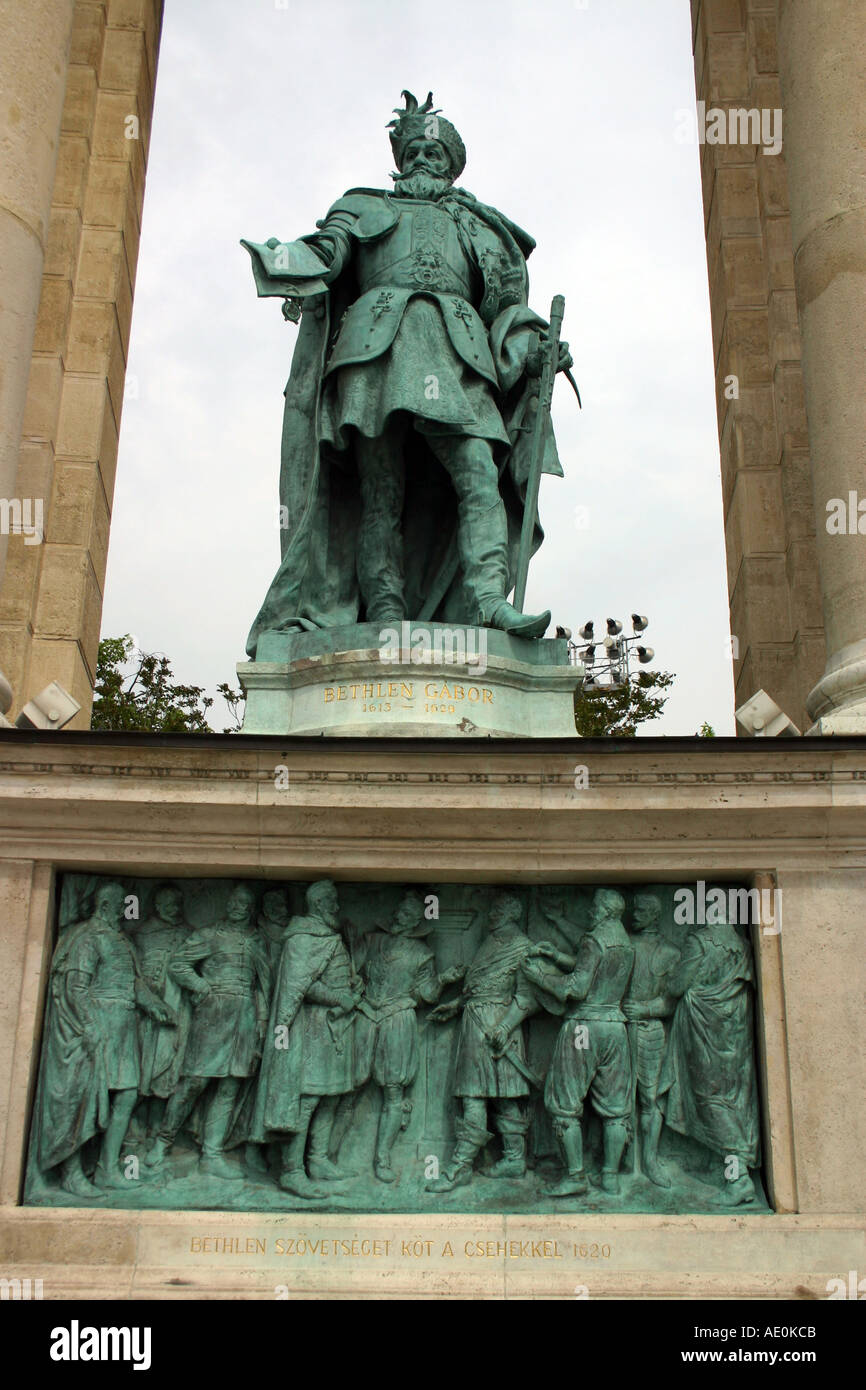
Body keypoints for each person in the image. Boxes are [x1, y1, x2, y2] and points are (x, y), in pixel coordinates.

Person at [242, 89, 573, 654]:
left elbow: (508, 310)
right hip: (375, 349)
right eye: (413, 151)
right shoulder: (364, 205)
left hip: (462, 354)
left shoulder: (483, 228)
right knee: (380, 490)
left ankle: (490, 600)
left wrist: (536, 348)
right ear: (399, 159)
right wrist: (288, 261)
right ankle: (387, 613)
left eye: (435, 153)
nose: (424, 160)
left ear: (452, 163)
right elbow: (329, 251)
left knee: (477, 471)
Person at [35, 880, 174, 1196]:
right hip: (97, 1028)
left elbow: (134, 983)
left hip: (123, 1029)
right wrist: (89, 1026)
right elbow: (76, 987)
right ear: (107, 906)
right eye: (125, 905)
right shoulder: (88, 938)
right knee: (82, 1101)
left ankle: (107, 1170)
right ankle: (71, 1174)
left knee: (126, 1095)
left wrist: (155, 1005)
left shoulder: (121, 940)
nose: (128, 911)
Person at [144, 884, 270, 1180]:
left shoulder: (256, 939)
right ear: (228, 905)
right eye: (236, 901)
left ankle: (211, 1154)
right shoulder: (209, 934)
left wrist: (263, 1023)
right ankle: (163, 1142)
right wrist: (202, 987)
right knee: (194, 1083)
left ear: (251, 908)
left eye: (246, 902)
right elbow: (179, 963)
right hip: (213, 1016)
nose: (240, 906)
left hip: (246, 1019)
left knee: (229, 1087)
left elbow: (263, 985)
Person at [251, 880, 361, 1198]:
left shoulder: (328, 936)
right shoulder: (300, 939)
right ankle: (292, 1171)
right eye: (332, 903)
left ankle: (318, 1159)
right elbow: (299, 987)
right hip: (311, 1030)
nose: (337, 908)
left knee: (330, 1096)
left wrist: (350, 988)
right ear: (317, 905)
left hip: (333, 1031)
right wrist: (337, 998)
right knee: (307, 1099)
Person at [525, 888, 635, 1196]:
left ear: (603, 911)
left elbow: (576, 987)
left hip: (584, 1027)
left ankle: (575, 1176)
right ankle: (610, 1176)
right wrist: (557, 956)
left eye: (593, 908)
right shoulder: (624, 942)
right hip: (614, 1027)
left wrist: (539, 978)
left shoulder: (594, 938)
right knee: (615, 1108)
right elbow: (595, 969)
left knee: (564, 1102)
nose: (588, 912)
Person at [426, 892, 536, 1191]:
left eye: (497, 909)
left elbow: (527, 998)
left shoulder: (522, 947)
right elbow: (477, 987)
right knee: (479, 1094)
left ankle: (472, 1165)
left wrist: (504, 1026)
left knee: (499, 1096)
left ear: (511, 914)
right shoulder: (490, 941)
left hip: (498, 1027)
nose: (491, 915)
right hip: (475, 1023)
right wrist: (456, 1005)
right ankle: (491, 1161)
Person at [353, 890, 464, 1182]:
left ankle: (382, 1158)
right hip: (366, 1016)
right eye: (399, 911)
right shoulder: (372, 941)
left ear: (416, 920)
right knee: (347, 1084)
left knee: (393, 1090)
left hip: (398, 1019)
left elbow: (424, 994)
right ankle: (323, 1155)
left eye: (406, 913)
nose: (399, 916)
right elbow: (354, 973)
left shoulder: (422, 954)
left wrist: (443, 979)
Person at [658, 898, 761, 1206]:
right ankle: (723, 1162)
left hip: (705, 1030)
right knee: (733, 1097)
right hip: (735, 1032)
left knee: (710, 1098)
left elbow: (677, 986)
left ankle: (738, 1177)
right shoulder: (742, 945)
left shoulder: (700, 941)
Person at [621, 892, 681, 1188]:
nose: (635, 913)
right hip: (618, 1029)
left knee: (649, 1097)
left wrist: (645, 1009)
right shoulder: (622, 945)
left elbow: (673, 999)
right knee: (617, 1098)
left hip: (651, 1031)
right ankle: (621, 1161)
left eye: (642, 909)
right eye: (635, 908)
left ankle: (650, 1159)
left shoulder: (669, 952)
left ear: (656, 915)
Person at [133, 883, 193, 1134]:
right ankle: (132, 1134)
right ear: (156, 906)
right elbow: (133, 973)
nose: (174, 909)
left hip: (179, 1006)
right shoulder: (142, 934)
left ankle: (157, 1128)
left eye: (177, 904)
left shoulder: (189, 934)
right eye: (168, 904)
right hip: (147, 1013)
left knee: (169, 1071)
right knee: (142, 1070)